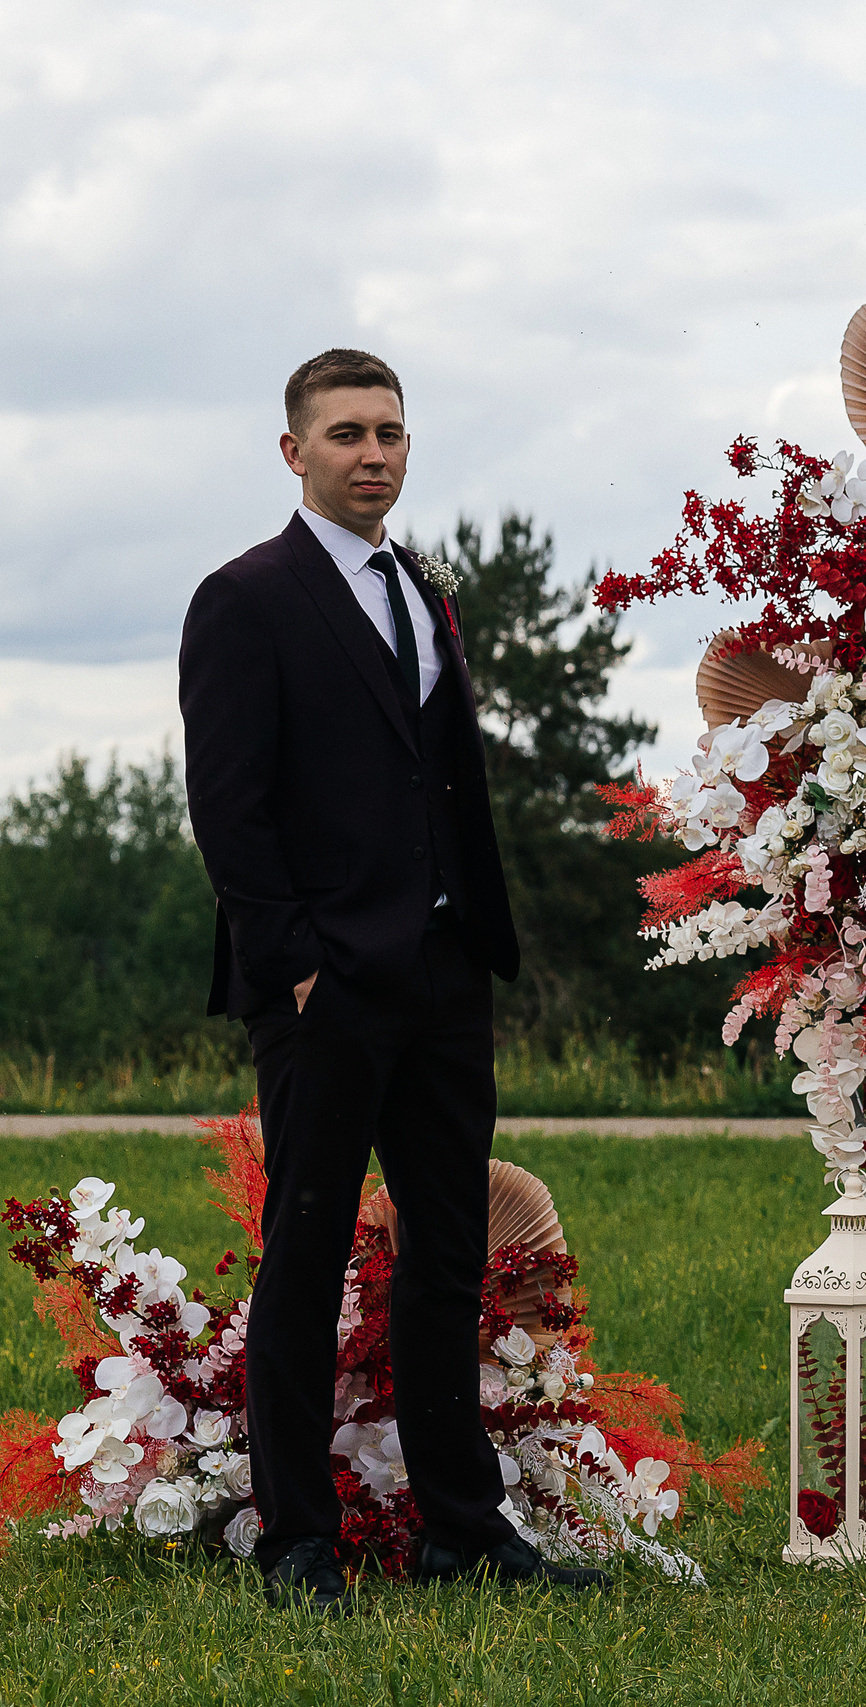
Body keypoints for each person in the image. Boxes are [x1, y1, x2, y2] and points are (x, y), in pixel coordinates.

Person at [178, 349, 603, 1611]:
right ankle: (296, 1534)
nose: (375, 454)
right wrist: (295, 967)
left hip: (440, 969)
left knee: (448, 1256)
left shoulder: (420, 589)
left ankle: (461, 1528)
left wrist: (472, 935)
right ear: (294, 451)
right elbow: (229, 809)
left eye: (392, 434)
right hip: (324, 985)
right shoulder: (244, 598)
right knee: (303, 1256)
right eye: (349, 433)